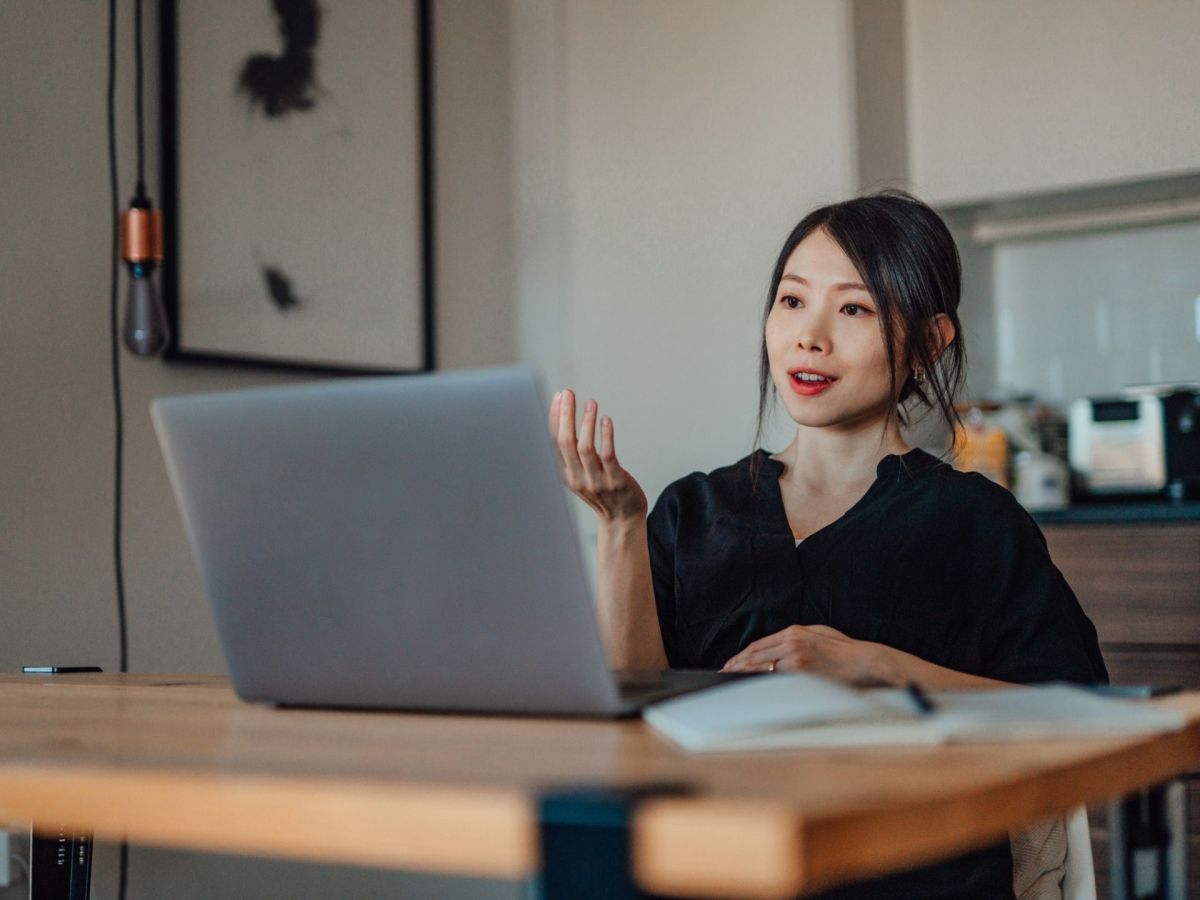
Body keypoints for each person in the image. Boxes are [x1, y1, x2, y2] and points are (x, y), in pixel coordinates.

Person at [548, 190, 1107, 899]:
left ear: (930, 343)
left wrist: (872, 667)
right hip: (714, 872)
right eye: (790, 301)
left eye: (855, 309)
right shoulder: (692, 510)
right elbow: (628, 727)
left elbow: (1078, 719)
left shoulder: (975, 521)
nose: (809, 337)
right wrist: (621, 525)